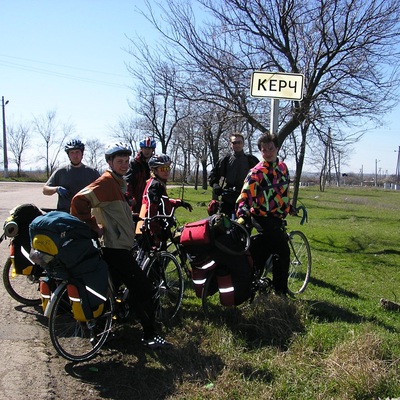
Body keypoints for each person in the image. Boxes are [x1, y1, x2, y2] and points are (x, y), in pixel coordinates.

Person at [70, 142, 171, 349]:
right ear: (109, 162)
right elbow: (79, 201)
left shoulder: (118, 182)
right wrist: (93, 225)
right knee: (143, 288)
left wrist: (133, 218)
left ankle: (99, 332)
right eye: (119, 161)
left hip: (119, 246)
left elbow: (114, 212)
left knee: (109, 291)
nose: (124, 165)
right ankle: (150, 336)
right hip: (114, 248)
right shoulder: (106, 182)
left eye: (126, 161)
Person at [236, 133, 296, 296]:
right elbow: (245, 195)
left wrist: (289, 207)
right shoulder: (256, 172)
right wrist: (242, 212)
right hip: (261, 217)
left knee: (261, 250)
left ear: (277, 148)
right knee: (282, 251)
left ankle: (255, 285)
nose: (268, 153)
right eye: (264, 150)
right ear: (260, 152)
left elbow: (283, 191)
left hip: (277, 217)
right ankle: (280, 291)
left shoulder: (283, 168)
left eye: (271, 149)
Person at [136, 154, 193, 245]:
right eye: (162, 169)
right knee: (155, 256)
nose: (166, 171)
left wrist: (179, 203)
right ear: (154, 170)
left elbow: (163, 201)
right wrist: (155, 231)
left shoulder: (158, 183)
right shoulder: (155, 185)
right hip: (150, 229)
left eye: (168, 168)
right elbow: (151, 207)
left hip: (154, 225)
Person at [208, 132, 258, 217]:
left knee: (244, 226)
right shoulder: (226, 159)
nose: (237, 145)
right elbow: (213, 175)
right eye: (234, 142)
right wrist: (216, 185)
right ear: (230, 144)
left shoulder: (251, 160)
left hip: (245, 198)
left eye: (239, 142)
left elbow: (260, 177)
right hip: (228, 197)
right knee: (223, 225)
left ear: (243, 144)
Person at [43, 139, 100, 212]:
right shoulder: (61, 171)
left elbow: (102, 192)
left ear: (82, 154)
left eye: (77, 152)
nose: (75, 155)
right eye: (72, 152)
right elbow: (45, 190)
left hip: (86, 214)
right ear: (68, 155)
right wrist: (56, 189)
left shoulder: (92, 172)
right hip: (65, 214)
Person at [124, 136, 156, 214]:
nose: (147, 151)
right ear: (141, 149)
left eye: (149, 149)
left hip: (152, 198)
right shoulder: (134, 163)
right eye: (145, 148)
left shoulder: (155, 164)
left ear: (152, 150)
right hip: (137, 199)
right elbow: (128, 181)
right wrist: (130, 197)